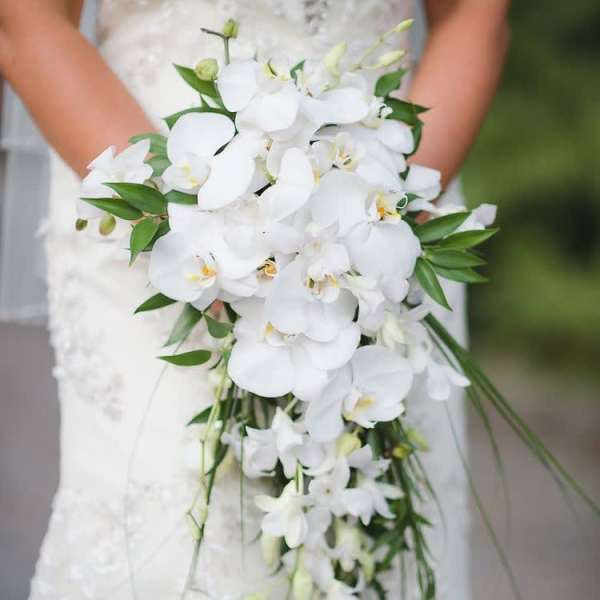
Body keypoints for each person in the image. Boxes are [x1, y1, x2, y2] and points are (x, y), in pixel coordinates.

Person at [0, 1, 510, 598]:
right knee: (166, 540)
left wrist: (380, 228)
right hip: (147, 197)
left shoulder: (384, 229)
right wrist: (191, 235)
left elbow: (474, 14)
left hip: (383, 213)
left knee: (378, 546)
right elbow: (28, 22)